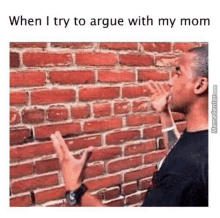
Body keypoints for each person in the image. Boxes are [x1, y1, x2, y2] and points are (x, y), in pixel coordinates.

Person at [50, 45, 208, 206]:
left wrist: (75, 190)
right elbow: (180, 151)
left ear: (200, 85)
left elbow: (185, 161)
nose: (170, 81)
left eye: (178, 73)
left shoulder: (183, 175)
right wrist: (164, 114)